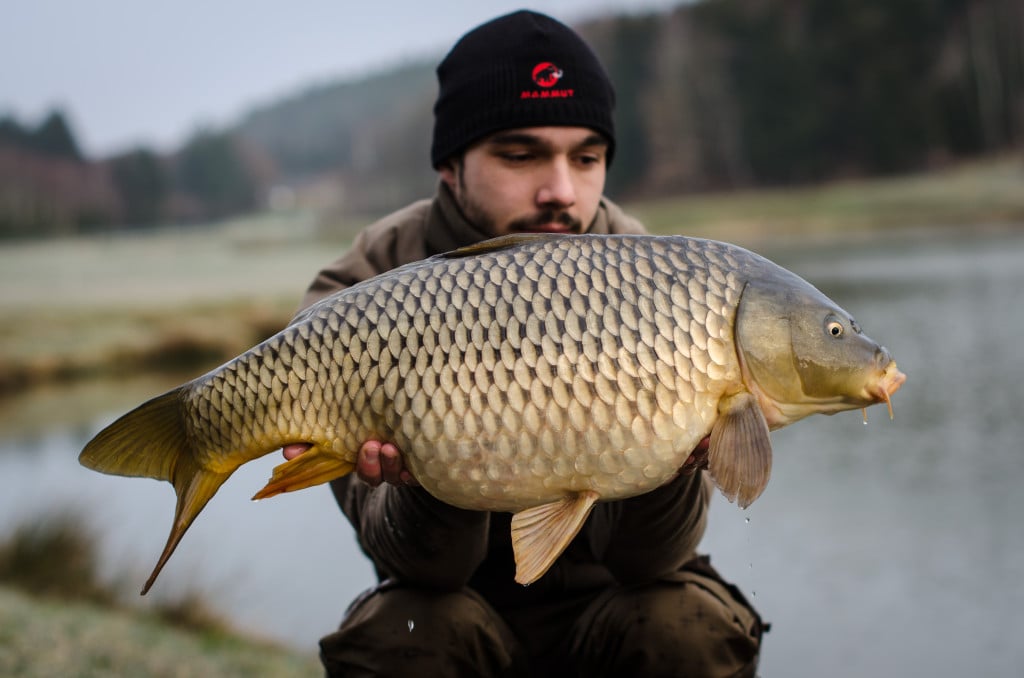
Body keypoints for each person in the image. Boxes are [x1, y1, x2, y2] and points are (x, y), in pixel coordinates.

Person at [284, 10, 764, 677]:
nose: (560, 191)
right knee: (406, 633)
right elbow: (420, 565)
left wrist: (671, 458)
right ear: (451, 164)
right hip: (452, 600)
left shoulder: (664, 280)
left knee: (683, 625)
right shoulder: (360, 291)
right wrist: (422, 473)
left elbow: (652, 561)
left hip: (620, 598)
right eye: (520, 154)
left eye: (586, 158)